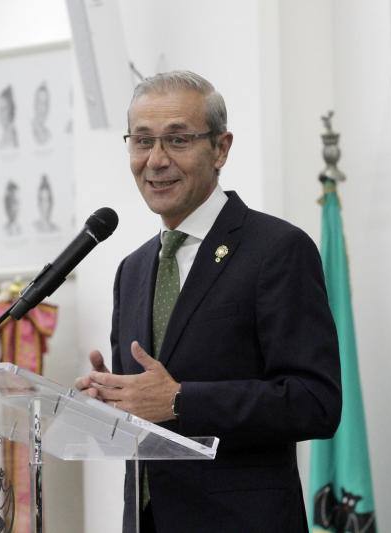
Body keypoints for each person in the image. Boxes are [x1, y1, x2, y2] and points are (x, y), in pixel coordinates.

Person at [74, 71, 341, 533]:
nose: (155, 160)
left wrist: (180, 400)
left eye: (177, 140)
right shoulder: (132, 270)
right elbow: (145, 412)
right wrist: (109, 402)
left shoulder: (276, 250)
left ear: (220, 148)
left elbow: (315, 401)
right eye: (142, 142)